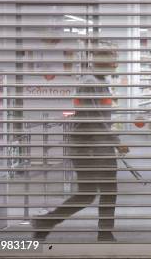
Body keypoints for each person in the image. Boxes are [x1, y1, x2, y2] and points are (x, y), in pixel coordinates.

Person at [32, 48, 129, 242]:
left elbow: (101, 117)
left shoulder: (101, 82)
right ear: (101, 62)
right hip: (90, 147)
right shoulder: (90, 83)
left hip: (99, 145)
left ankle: (102, 232)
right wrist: (116, 142)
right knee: (91, 193)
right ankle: (49, 222)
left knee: (101, 192)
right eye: (113, 61)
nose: (116, 65)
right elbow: (93, 118)